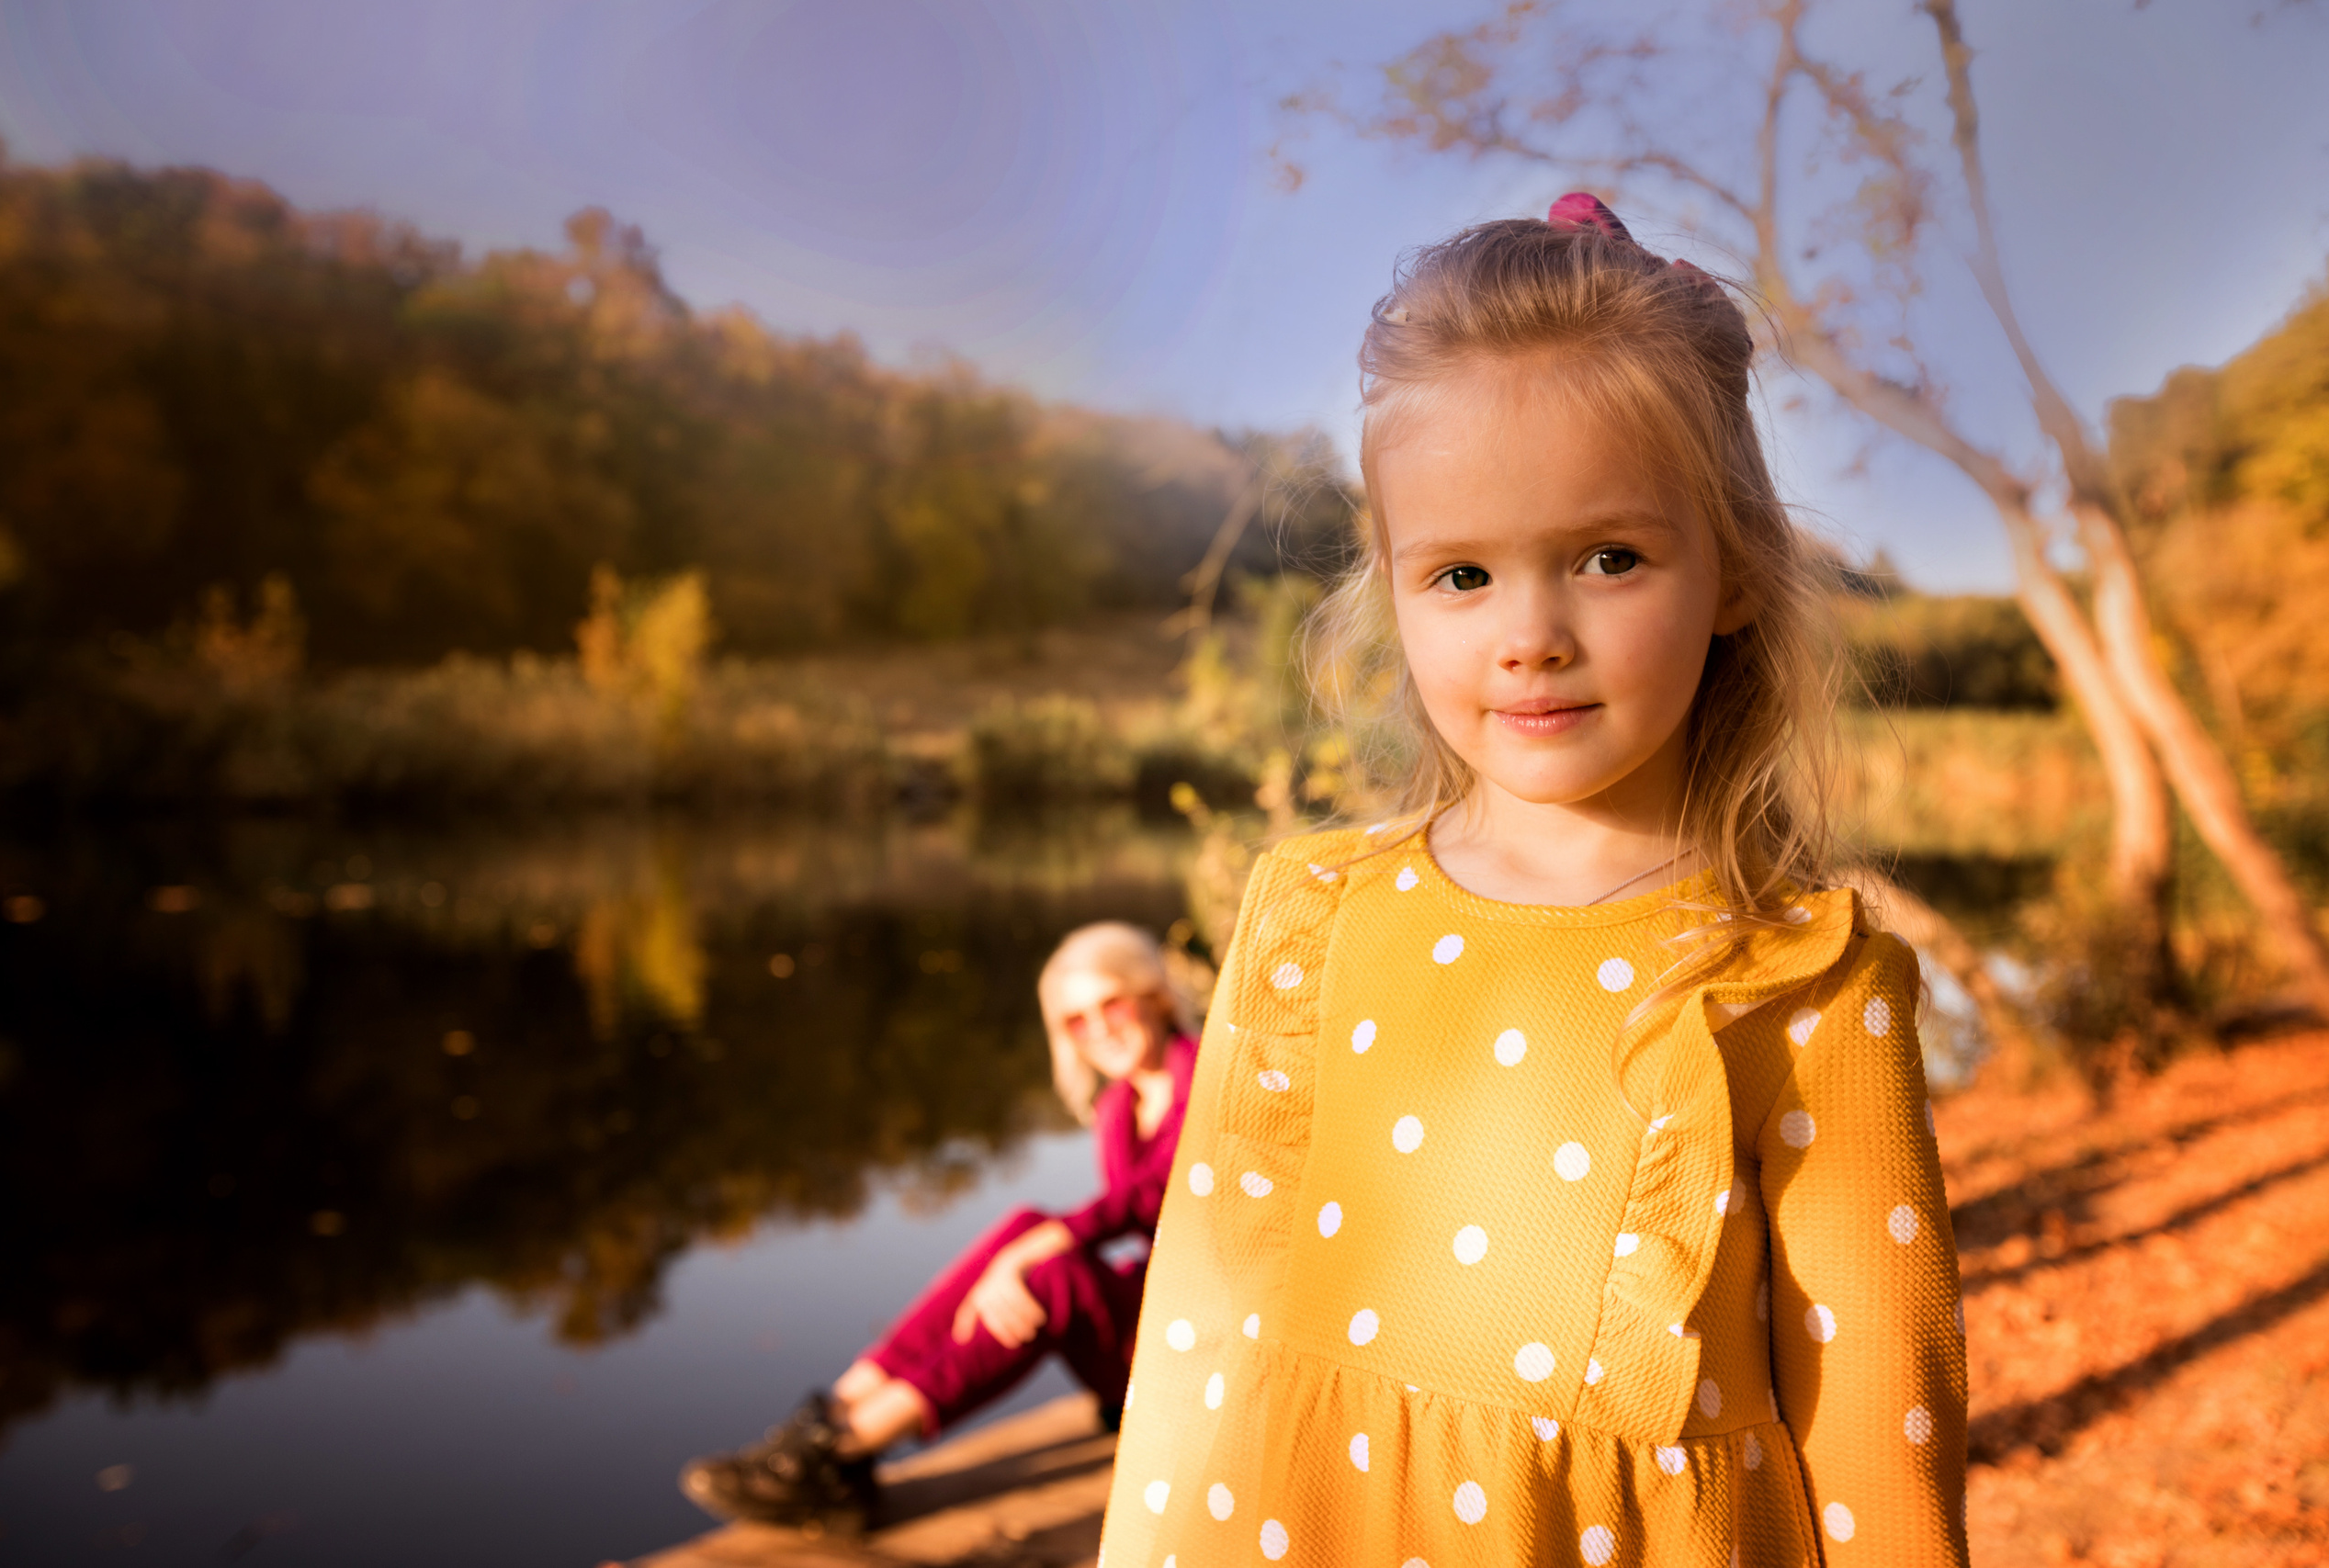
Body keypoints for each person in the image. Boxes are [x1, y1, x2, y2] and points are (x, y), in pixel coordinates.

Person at [1102, 197, 1968, 1567]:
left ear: (1735, 569)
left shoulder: (1806, 974)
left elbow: (1878, 1429)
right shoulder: (1311, 918)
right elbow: (1200, 1322)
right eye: (1461, 573)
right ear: (1392, 591)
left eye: (1608, 557)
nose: (1530, 637)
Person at [680, 920, 1198, 1532]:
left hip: (1200, 1350)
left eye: (1111, 1003)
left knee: (1047, 1275)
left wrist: (1030, 1255)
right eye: (1077, 1019)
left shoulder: (1209, 1079)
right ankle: (833, 1418)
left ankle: (846, 1452)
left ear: (1155, 994)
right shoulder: (1120, 1107)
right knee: (1027, 1227)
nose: (1100, 1028)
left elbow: (1158, 1195)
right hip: (1157, 1319)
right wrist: (1029, 1244)